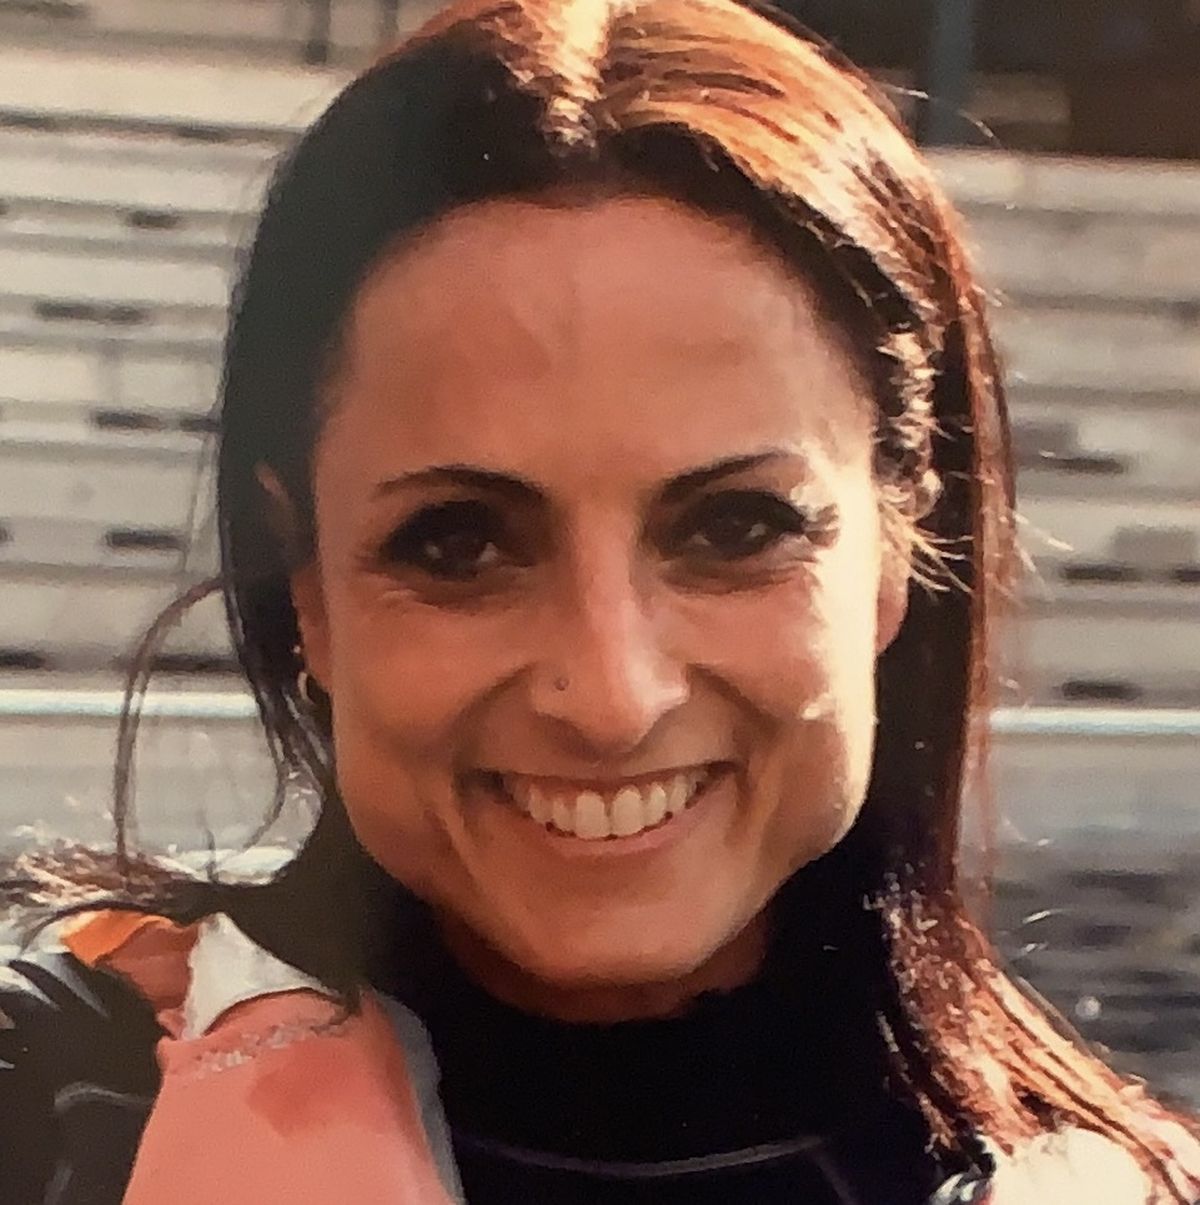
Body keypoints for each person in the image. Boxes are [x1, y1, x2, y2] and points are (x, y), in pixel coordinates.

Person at [2, 0, 1198, 1201]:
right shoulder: (46, 1111)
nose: (612, 698)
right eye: (460, 542)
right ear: (304, 584)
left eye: (736, 527)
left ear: (899, 546)